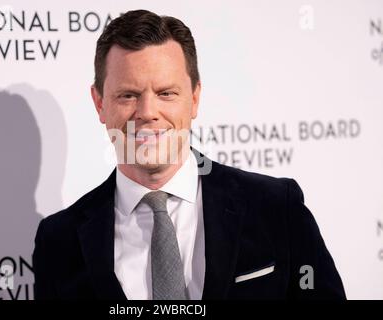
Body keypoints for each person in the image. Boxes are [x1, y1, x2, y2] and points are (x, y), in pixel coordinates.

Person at [33, 9, 346, 300]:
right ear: (100, 103)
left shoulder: (276, 208)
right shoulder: (58, 241)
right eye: (128, 95)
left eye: (166, 93)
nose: (147, 112)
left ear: (194, 99)